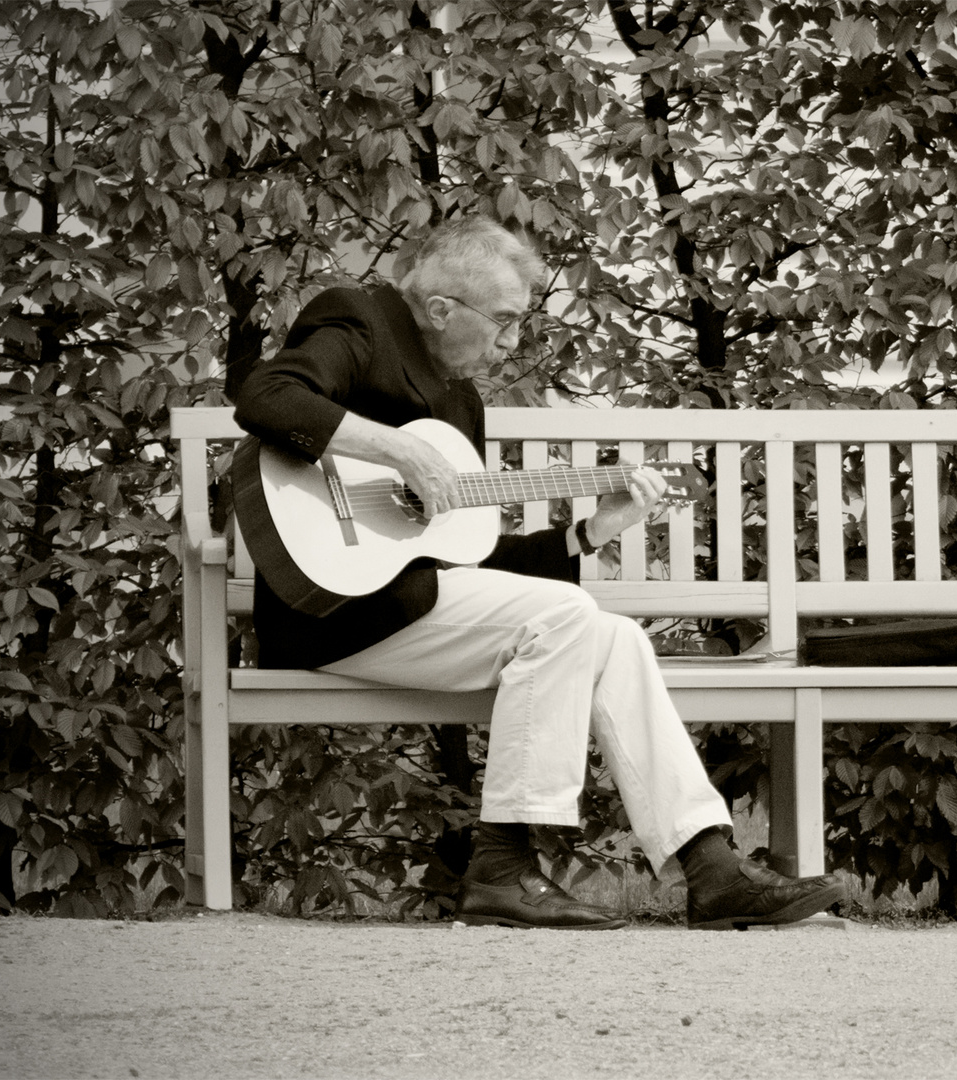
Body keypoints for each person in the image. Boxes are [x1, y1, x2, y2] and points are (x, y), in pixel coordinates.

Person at [232, 216, 841, 930]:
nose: (512, 342)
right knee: (567, 619)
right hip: (333, 614)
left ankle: (708, 867)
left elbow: (473, 562)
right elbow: (267, 396)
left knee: (613, 637)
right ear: (439, 309)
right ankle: (504, 866)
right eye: (505, 322)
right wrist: (397, 450)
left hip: (412, 607)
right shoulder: (359, 320)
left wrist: (591, 531)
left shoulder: (460, 403)